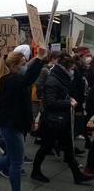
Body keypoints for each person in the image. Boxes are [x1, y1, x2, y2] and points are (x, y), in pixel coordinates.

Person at [0, 48, 46, 191]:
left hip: (13, 125)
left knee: (11, 157)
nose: (25, 67)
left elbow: (27, 77)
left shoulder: (9, 78)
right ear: (14, 66)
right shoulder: (12, 80)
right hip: (12, 126)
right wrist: (39, 58)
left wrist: (37, 60)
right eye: (23, 64)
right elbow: (29, 78)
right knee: (16, 162)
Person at [31, 53, 94, 185]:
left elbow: (59, 97)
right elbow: (51, 102)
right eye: (71, 68)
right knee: (45, 148)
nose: (72, 71)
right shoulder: (53, 80)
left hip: (60, 121)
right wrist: (68, 103)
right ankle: (35, 172)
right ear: (65, 68)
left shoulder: (60, 78)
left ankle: (77, 175)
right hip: (53, 122)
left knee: (69, 149)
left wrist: (68, 99)